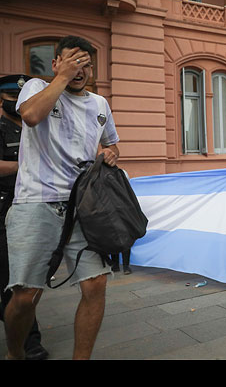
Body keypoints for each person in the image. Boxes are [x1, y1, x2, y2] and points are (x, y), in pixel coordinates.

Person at [3, 36, 120, 360]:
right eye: (71, 61)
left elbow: (111, 143)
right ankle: (16, 352)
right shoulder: (36, 88)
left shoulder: (99, 104)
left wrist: (109, 153)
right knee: (26, 296)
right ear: (56, 63)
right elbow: (30, 116)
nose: (79, 68)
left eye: (85, 63)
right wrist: (62, 77)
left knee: (95, 286)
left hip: (84, 207)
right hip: (35, 203)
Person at [0, 74, 49, 360]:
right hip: (3, 209)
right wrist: (25, 165)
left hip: (30, 209)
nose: (15, 104)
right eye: (10, 99)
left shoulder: (38, 127)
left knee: (19, 281)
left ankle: (30, 342)